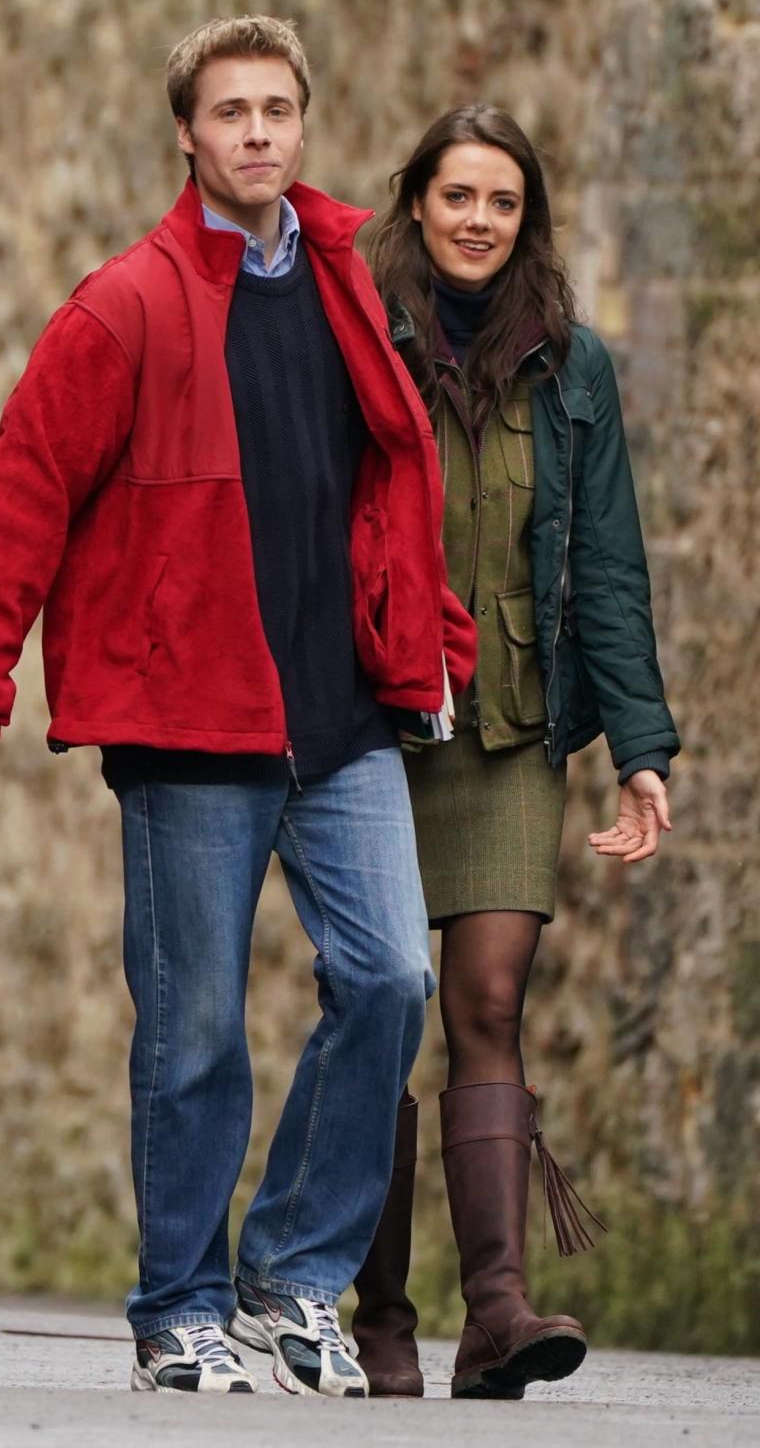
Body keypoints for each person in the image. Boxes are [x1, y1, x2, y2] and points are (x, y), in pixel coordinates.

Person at [0, 16, 476, 1399]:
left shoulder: (351, 281)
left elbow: (394, 484)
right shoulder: (124, 306)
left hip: (340, 718)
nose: (258, 136)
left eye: (278, 111)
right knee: (192, 1031)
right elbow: (21, 495)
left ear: (304, 124)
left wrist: (428, 637)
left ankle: (292, 1276)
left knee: (392, 980)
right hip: (190, 726)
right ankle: (176, 1307)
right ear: (187, 132)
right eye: (230, 113)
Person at [349, 104, 680, 1401]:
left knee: (487, 1004)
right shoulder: (360, 342)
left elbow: (608, 569)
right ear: (416, 205)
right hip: (369, 717)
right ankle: (381, 1315)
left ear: (524, 219)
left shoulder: (572, 366)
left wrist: (638, 748)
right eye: (457, 197)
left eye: (502, 201)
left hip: (513, 721)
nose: (479, 220)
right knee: (381, 1006)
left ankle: (496, 1312)